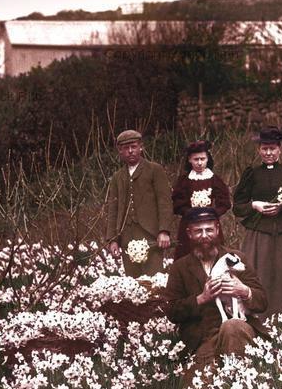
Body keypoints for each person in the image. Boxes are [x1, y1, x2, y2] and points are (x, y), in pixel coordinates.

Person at [164, 207, 268, 371]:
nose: (205, 236)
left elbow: (262, 301)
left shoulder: (236, 259)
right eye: (198, 231)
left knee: (232, 327)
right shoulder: (180, 267)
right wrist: (201, 298)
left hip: (239, 332)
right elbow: (171, 310)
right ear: (189, 233)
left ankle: (241, 380)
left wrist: (244, 290)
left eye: (209, 230)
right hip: (203, 339)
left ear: (217, 229)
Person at [232, 126, 282, 317]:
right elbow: (238, 206)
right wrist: (255, 205)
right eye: (264, 149)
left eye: (272, 148)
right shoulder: (252, 173)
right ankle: (259, 313)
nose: (268, 153)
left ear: (280, 149)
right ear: (259, 149)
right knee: (260, 272)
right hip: (260, 233)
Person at [106, 130, 174, 277]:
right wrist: (113, 240)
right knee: (132, 284)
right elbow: (113, 210)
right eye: (125, 148)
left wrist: (164, 231)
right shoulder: (117, 177)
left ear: (141, 147)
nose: (130, 151)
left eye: (134, 146)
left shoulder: (154, 170)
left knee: (154, 281)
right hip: (126, 237)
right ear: (120, 151)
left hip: (152, 235)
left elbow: (165, 202)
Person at [171, 140, 231, 260]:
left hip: (210, 222)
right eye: (196, 159)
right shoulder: (184, 180)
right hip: (189, 222)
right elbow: (177, 202)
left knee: (214, 254)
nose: (199, 163)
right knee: (187, 255)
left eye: (202, 159)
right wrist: (188, 212)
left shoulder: (214, 179)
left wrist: (213, 213)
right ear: (189, 160)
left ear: (207, 159)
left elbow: (224, 202)